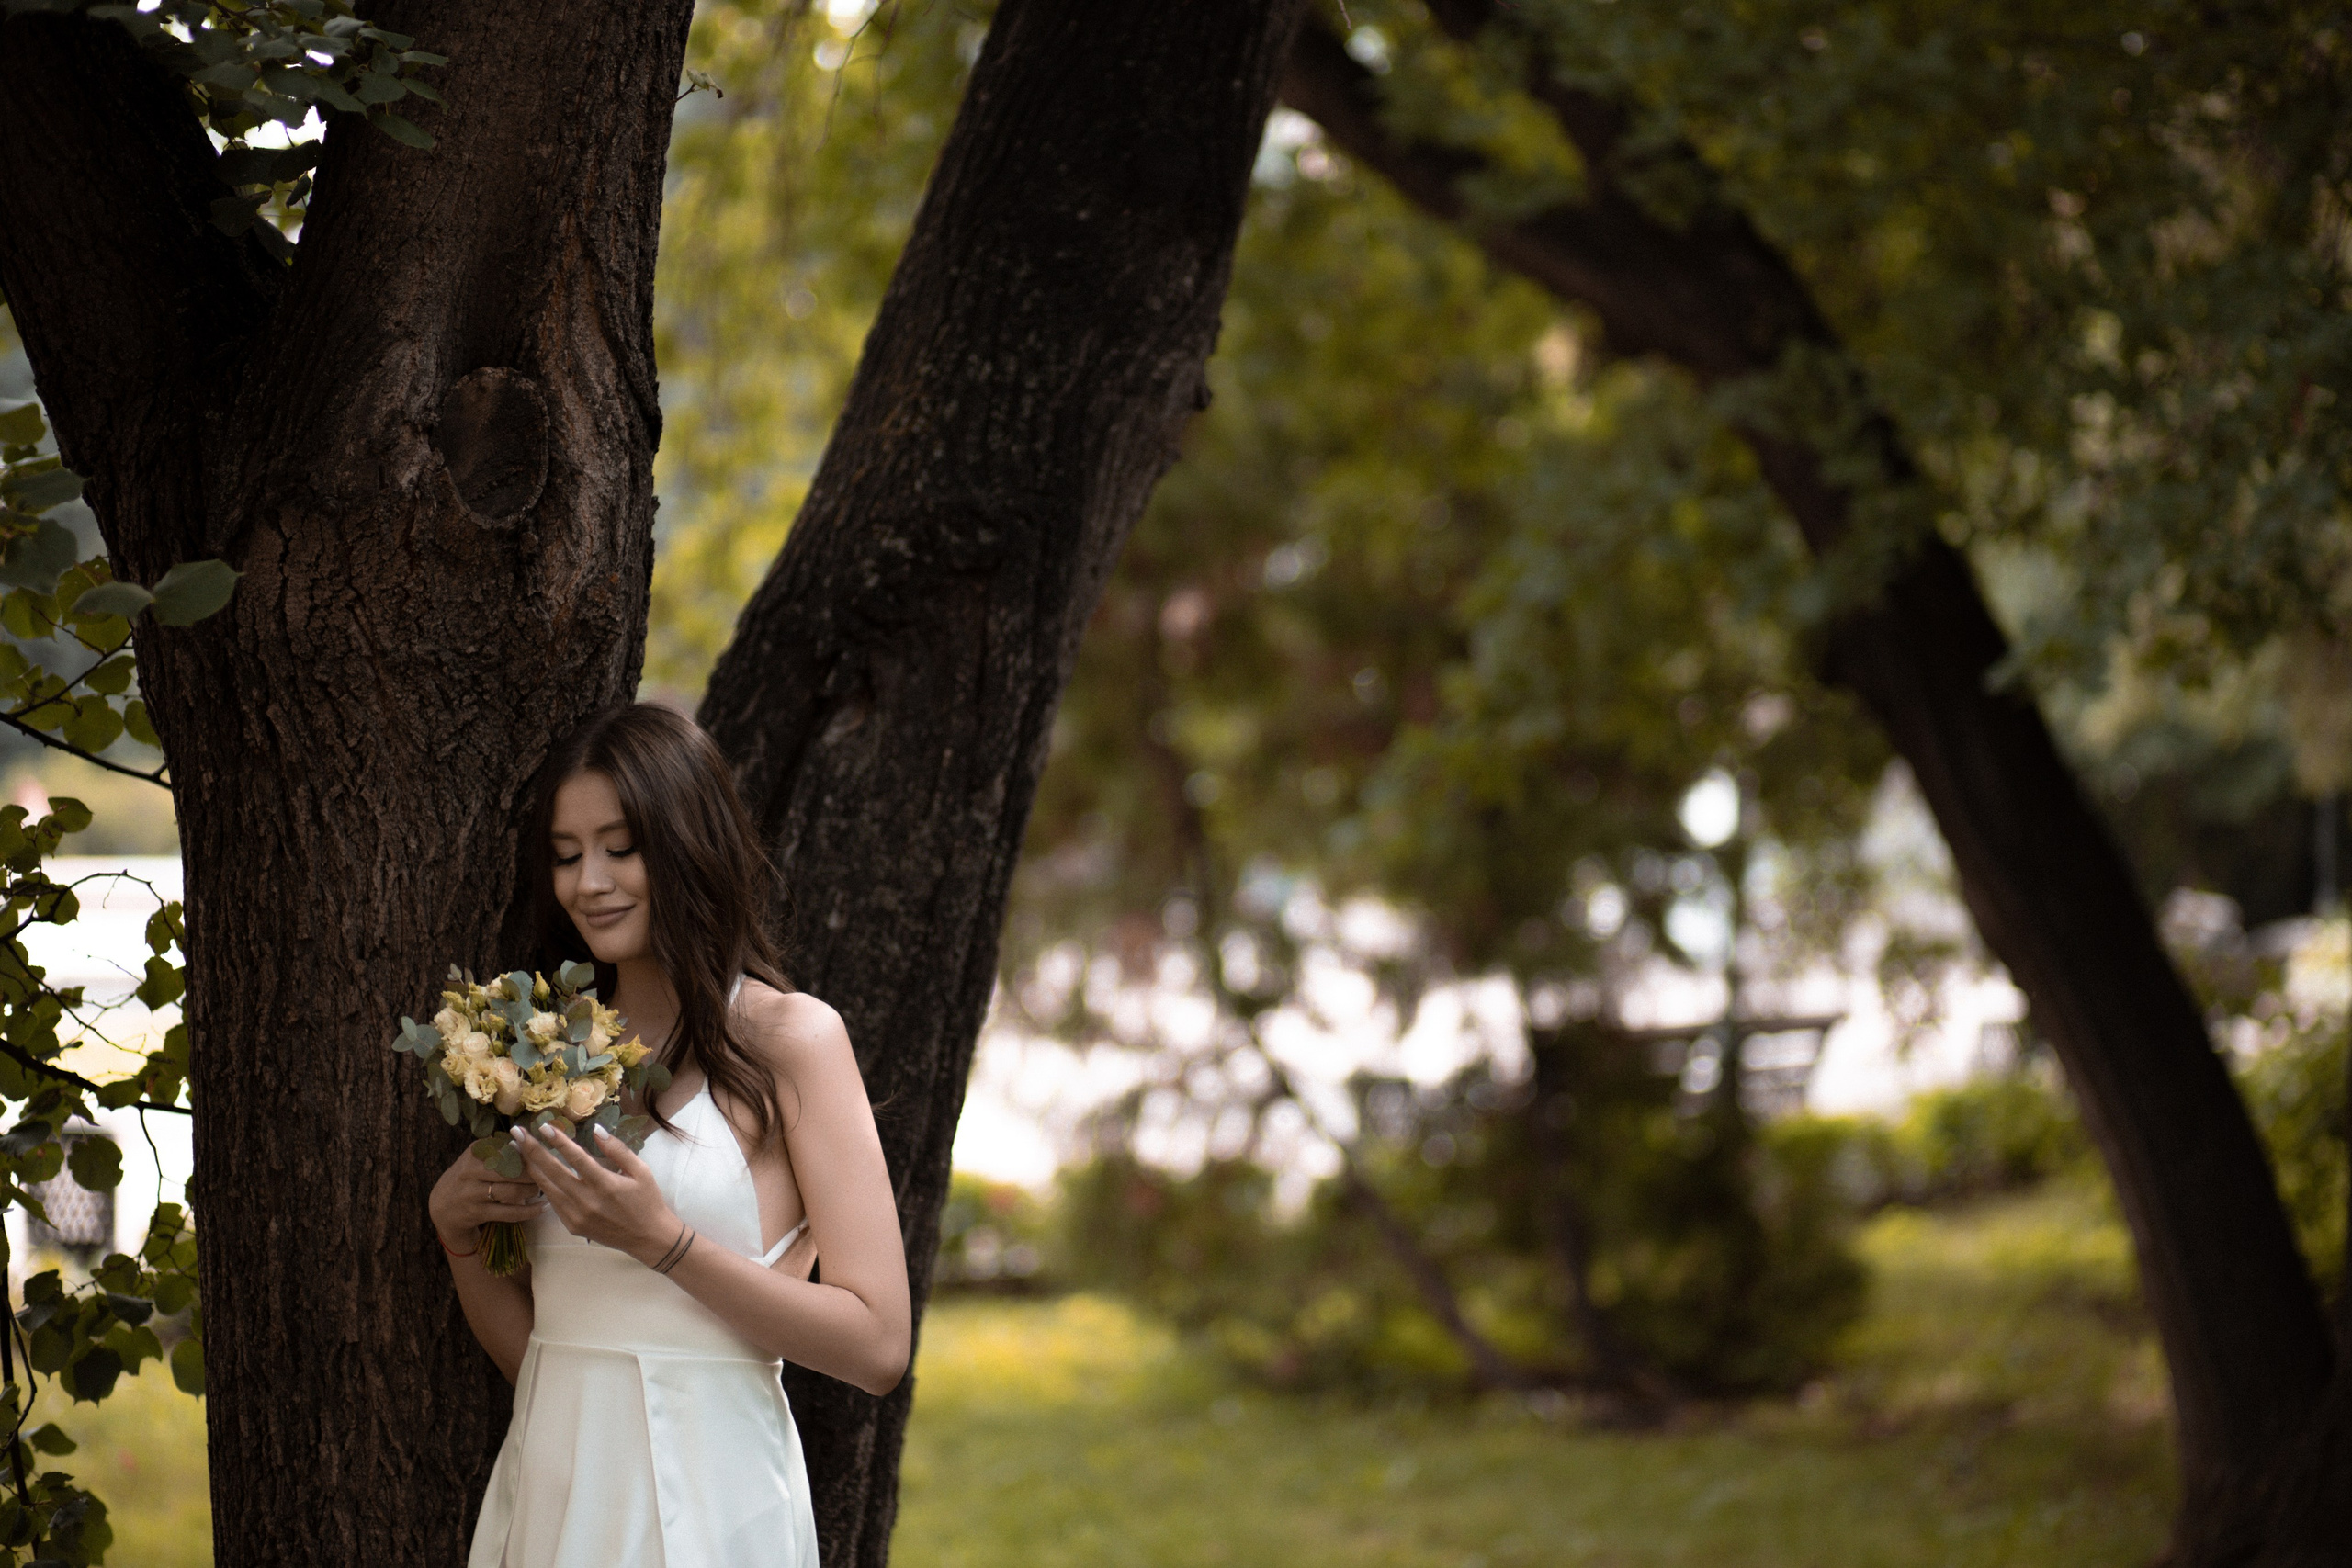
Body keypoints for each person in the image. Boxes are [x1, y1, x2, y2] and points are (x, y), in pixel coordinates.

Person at [427, 704, 910, 1567]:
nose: (590, 882)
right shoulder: (542, 1049)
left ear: (687, 840)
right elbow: (549, 1351)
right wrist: (457, 1232)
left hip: (716, 1504)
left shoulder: (792, 1039)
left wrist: (667, 1243)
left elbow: (878, 1346)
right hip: (557, 1489)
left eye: (621, 846)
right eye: (567, 855)